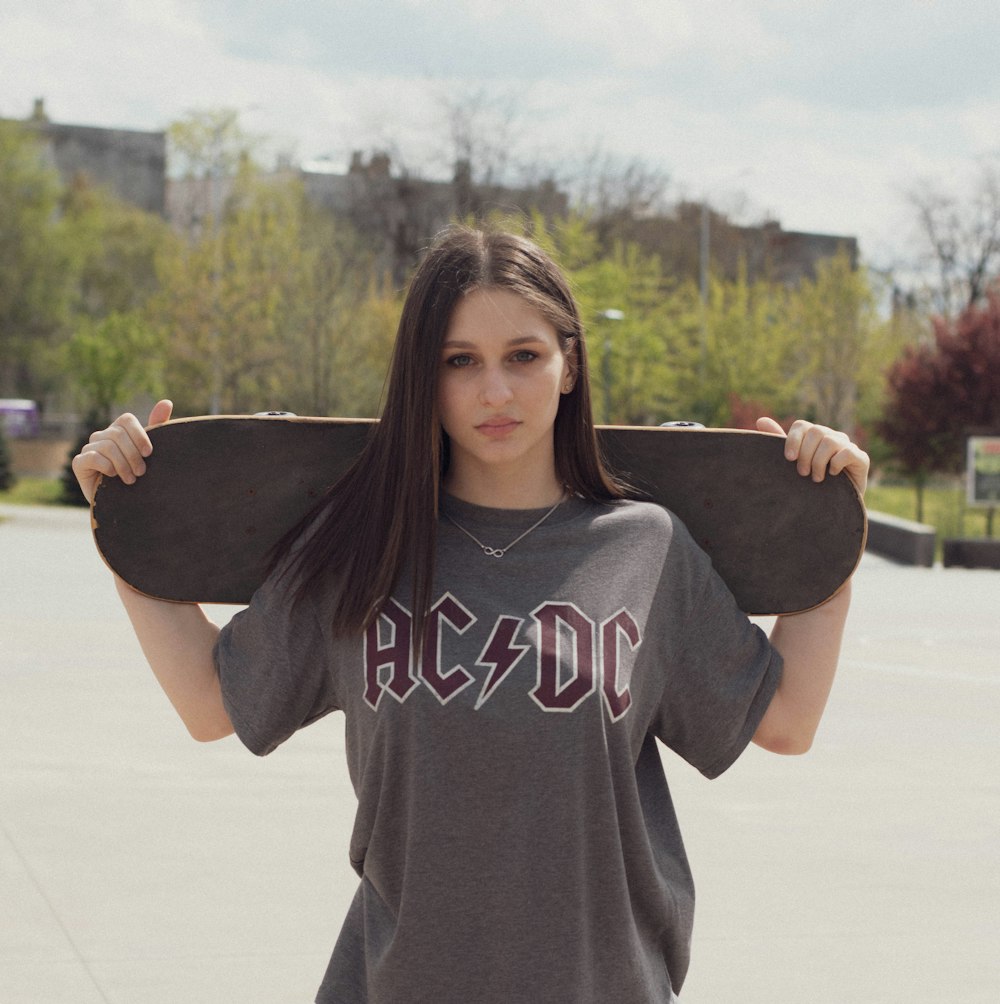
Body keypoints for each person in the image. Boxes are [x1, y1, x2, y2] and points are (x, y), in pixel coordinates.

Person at [72, 225, 869, 1003]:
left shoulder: (644, 548)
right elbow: (212, 704)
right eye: (460, 362)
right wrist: (132, 537)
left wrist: (830, 542)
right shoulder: (359, 543)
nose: (495, 391)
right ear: (425, 376)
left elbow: (787, 722)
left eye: (523, 356)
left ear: (568, 366)